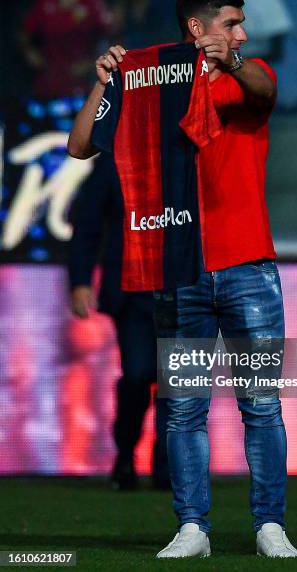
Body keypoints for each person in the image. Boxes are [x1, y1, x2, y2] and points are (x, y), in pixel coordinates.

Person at [67, 0, 297, 559]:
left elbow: (263, 91)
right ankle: (192, 527)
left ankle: (269, 525)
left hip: (248, 265)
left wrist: (236, 57)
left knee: (262, 402)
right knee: (185, 407)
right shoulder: (150, 85)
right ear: (196, 28)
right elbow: (80, 147)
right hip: (181, 269)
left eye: (242, 25)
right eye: (230, 23)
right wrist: (104, 86)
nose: (241, 33)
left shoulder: (252, 73)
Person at [68, 152, 169, 490]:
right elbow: (87, 223)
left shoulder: (190, 151)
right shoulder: (115, 158)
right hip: (131, 289)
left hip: (185, 288)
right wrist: (80, 280)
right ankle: (126, 455)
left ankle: (169, 465)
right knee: (138, 374)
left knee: (181, 381)